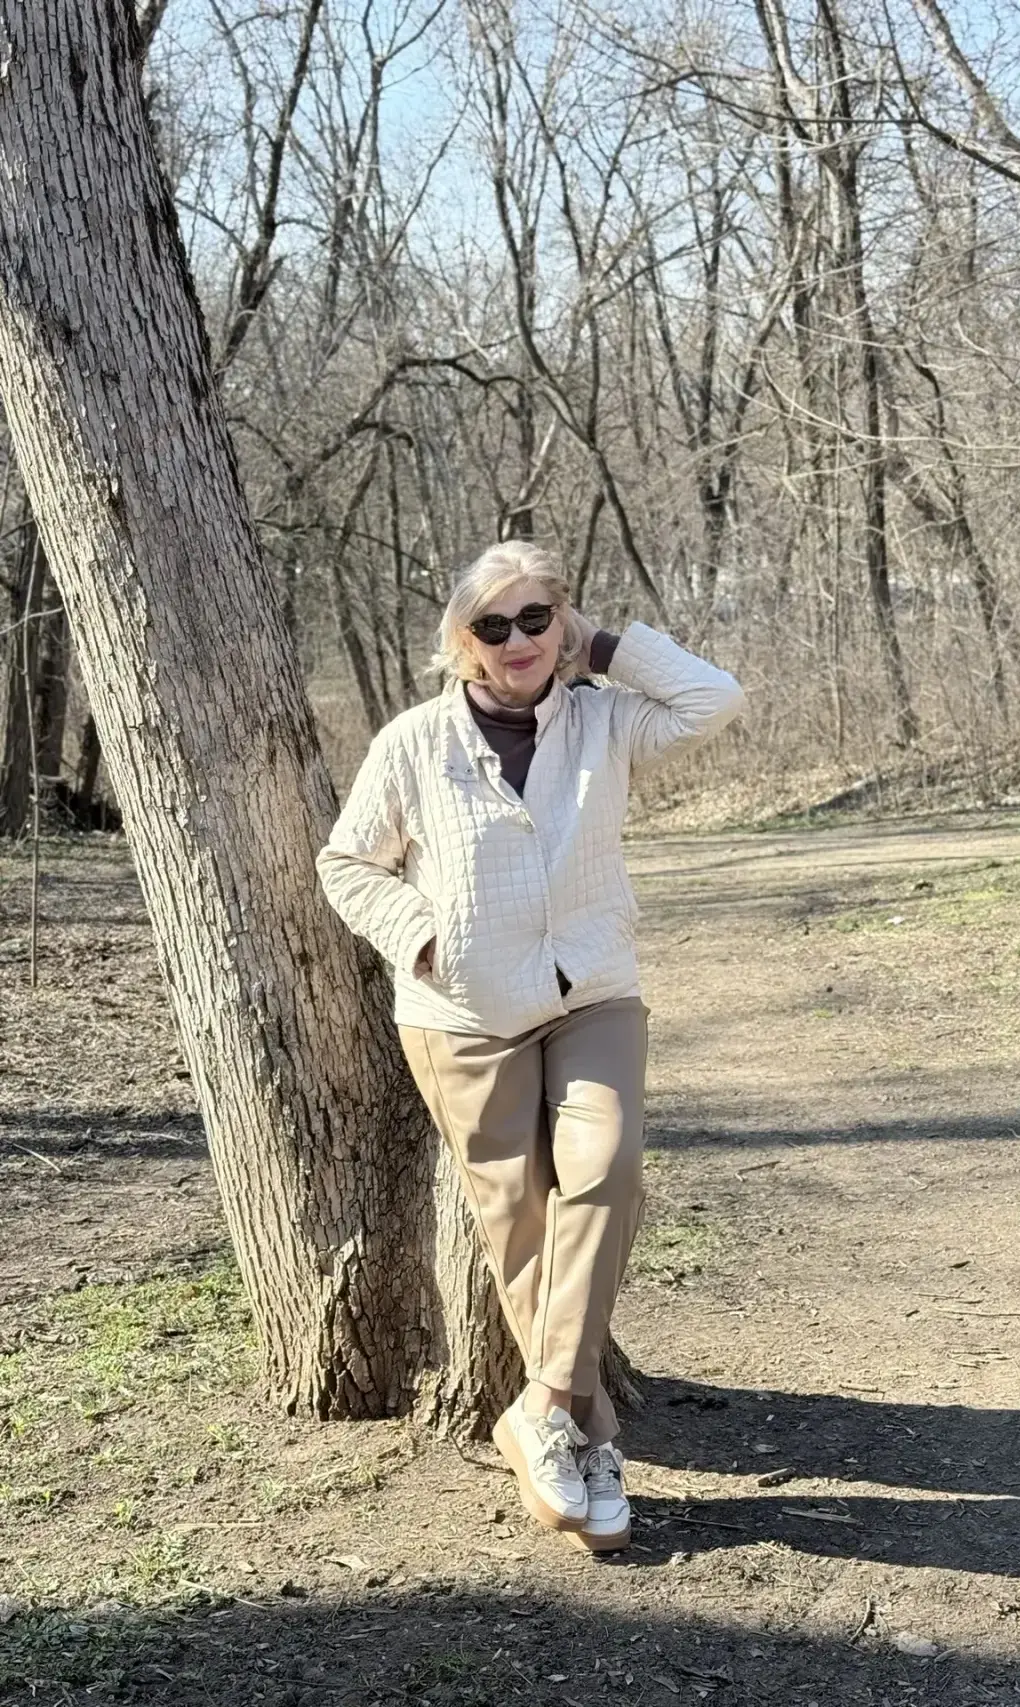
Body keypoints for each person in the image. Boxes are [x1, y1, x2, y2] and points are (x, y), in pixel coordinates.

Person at [316, 540, 745, 1552]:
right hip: (462, 1014)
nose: (517, 640)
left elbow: (714, 700)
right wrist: (422, 937)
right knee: (518, 1225)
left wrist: (607, 648)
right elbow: (347, 863)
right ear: (463, 638)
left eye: (536, 618)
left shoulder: (604, 720)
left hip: (591, 989)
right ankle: (589, 1440)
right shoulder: (414, 742)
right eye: (493, 624)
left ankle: (542, 1406)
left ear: (563, 622)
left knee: (607, 1169)